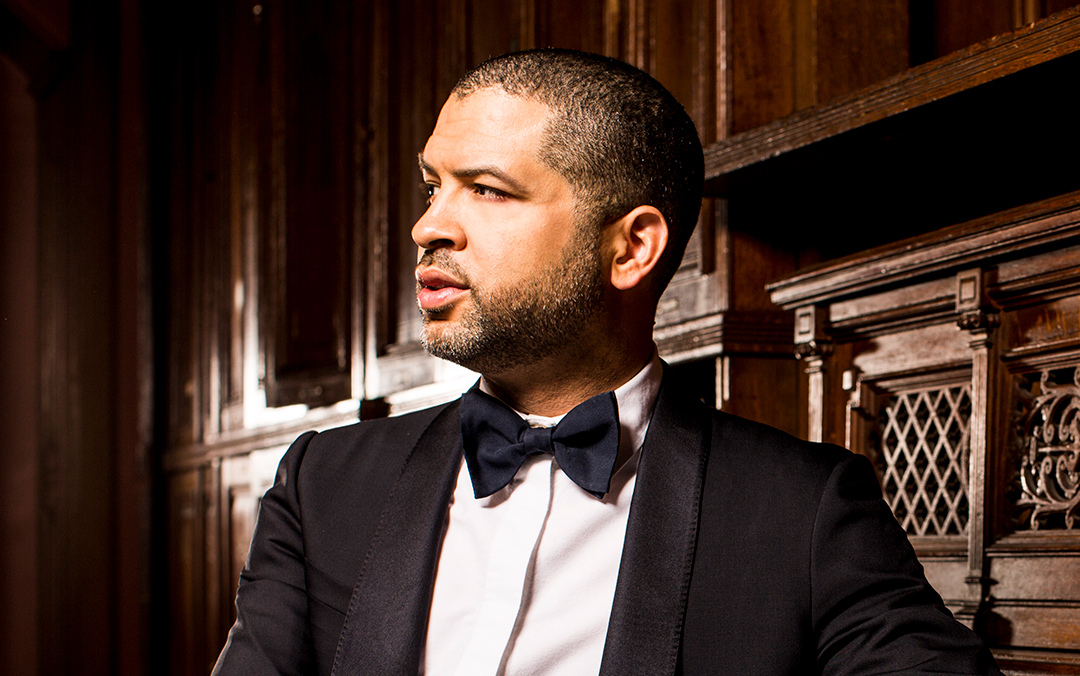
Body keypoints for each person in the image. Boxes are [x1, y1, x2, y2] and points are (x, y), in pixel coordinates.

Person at [213, 49, 1001, 676]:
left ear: (631, 247)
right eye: (432, 186)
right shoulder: (322, 483)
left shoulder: (801, 510)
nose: (428, 226)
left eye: (486, 190)